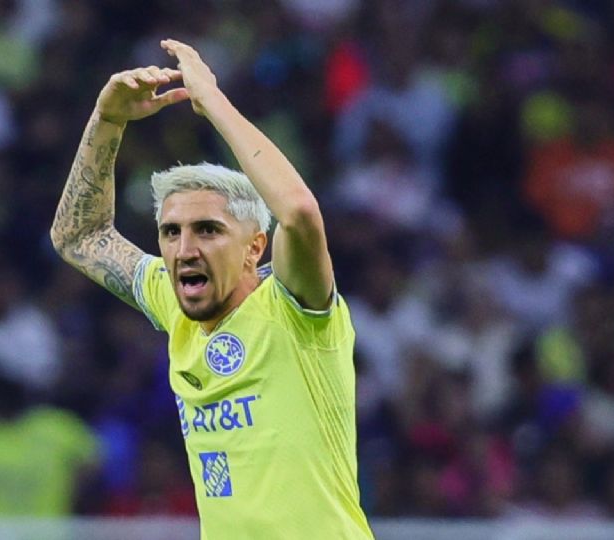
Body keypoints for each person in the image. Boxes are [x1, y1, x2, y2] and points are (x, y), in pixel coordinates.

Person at [51, 39, 373, 539]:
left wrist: (211, 102)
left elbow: (299, 212)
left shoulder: (295, 308)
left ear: (255, 247)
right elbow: (79, 236)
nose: (184, 249)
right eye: (171, 232)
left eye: (207, 230)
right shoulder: (175, 303)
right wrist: (107, 120)